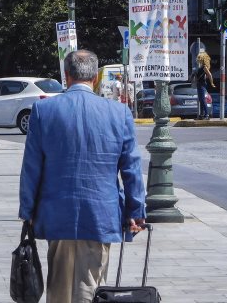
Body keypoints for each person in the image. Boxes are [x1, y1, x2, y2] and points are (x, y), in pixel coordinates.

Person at [19, 50, 146, 303]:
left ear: (67, 76)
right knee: (91, 287)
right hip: (100, 215)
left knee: (58, 287)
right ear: (96, 78)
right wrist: (135, 210)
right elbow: (131, 167)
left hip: (57, 215)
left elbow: (32, 167)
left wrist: (28, 211)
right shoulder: (119, 113)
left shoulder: (44, 111)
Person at [192, 51, 215, 120]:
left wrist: (212, 83)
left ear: (202, 59)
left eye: (199, 58)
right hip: (199, 84)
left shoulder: (204, 67)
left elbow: (210, 75)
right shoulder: (201, 66)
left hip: (202, 84)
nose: (198, 59)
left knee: (203, 99)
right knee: (201, 100)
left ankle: (207, 115)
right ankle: (202, 115)